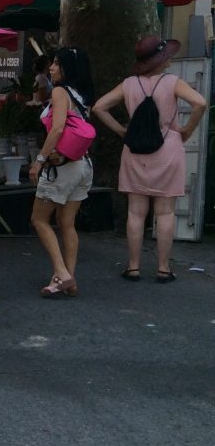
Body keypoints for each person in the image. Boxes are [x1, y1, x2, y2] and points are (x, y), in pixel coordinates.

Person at [92, 35, 208, 283]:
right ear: (160, 61)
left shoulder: (129, 84)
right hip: (167, 149)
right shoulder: (172, 82)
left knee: (135, 212)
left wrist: (123, 130)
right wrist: (186, 130)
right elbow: (200, 102)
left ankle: (133, 267)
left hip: (135, 151)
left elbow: (99, 107)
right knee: (165, 213)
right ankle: (163, 268)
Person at [28, 47, 96, 298]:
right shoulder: (83, 96)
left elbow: (56, 130)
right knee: (67, 223)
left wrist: (39, 160)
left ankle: (61, 272)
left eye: (57, 64)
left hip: (62, 168)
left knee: (39, 219)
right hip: (83, 165)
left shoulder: (59, 92)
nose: (52, 68)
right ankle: (68, 278)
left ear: (68, 68)